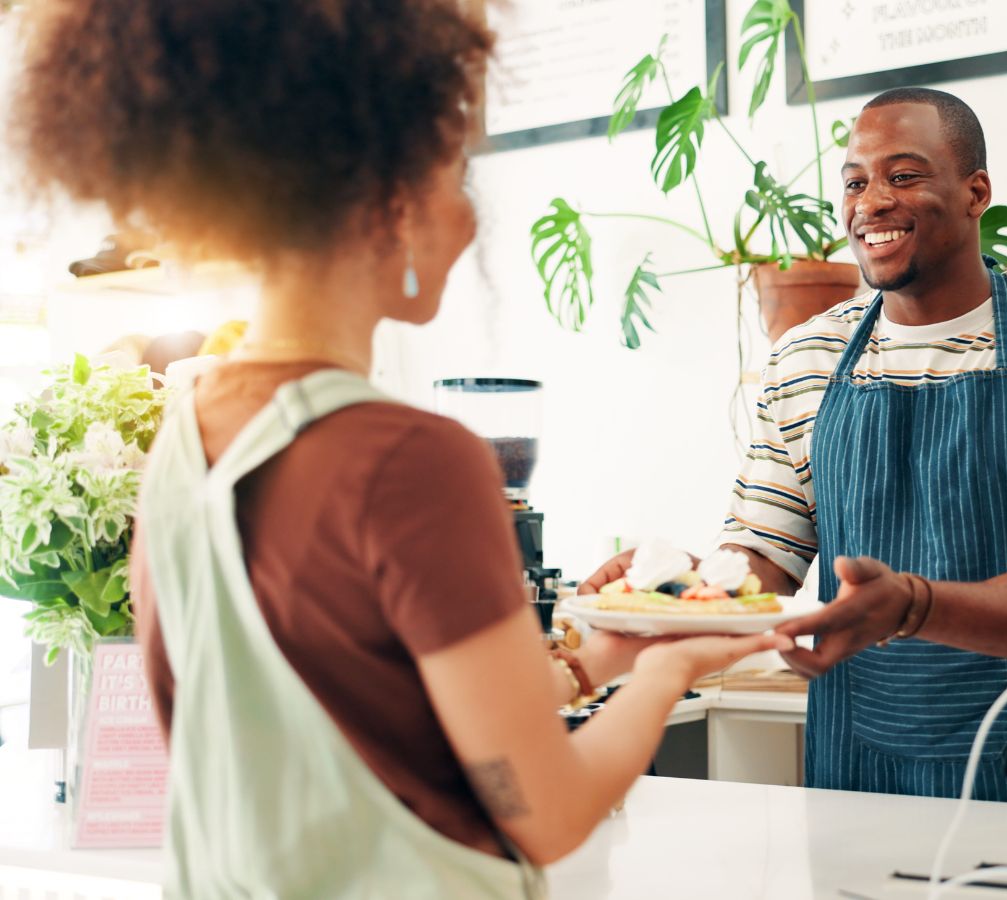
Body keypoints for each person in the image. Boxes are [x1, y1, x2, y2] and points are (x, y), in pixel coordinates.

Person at [11, 2, 785, 897]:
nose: (465, 223)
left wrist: (596, 661)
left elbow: (364, 710)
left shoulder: (181, 439)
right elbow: (549, 811)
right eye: (456, 178)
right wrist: (672, 670)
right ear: (386, 202)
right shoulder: (414, 460)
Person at [583, 87, 1007, 804]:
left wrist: (911, 604)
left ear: (976, 191)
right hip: (853, 779)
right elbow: (762, 560)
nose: (871, 201)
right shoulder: (805, 358)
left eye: (904, 175)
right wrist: (667, 584)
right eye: (855, 181)